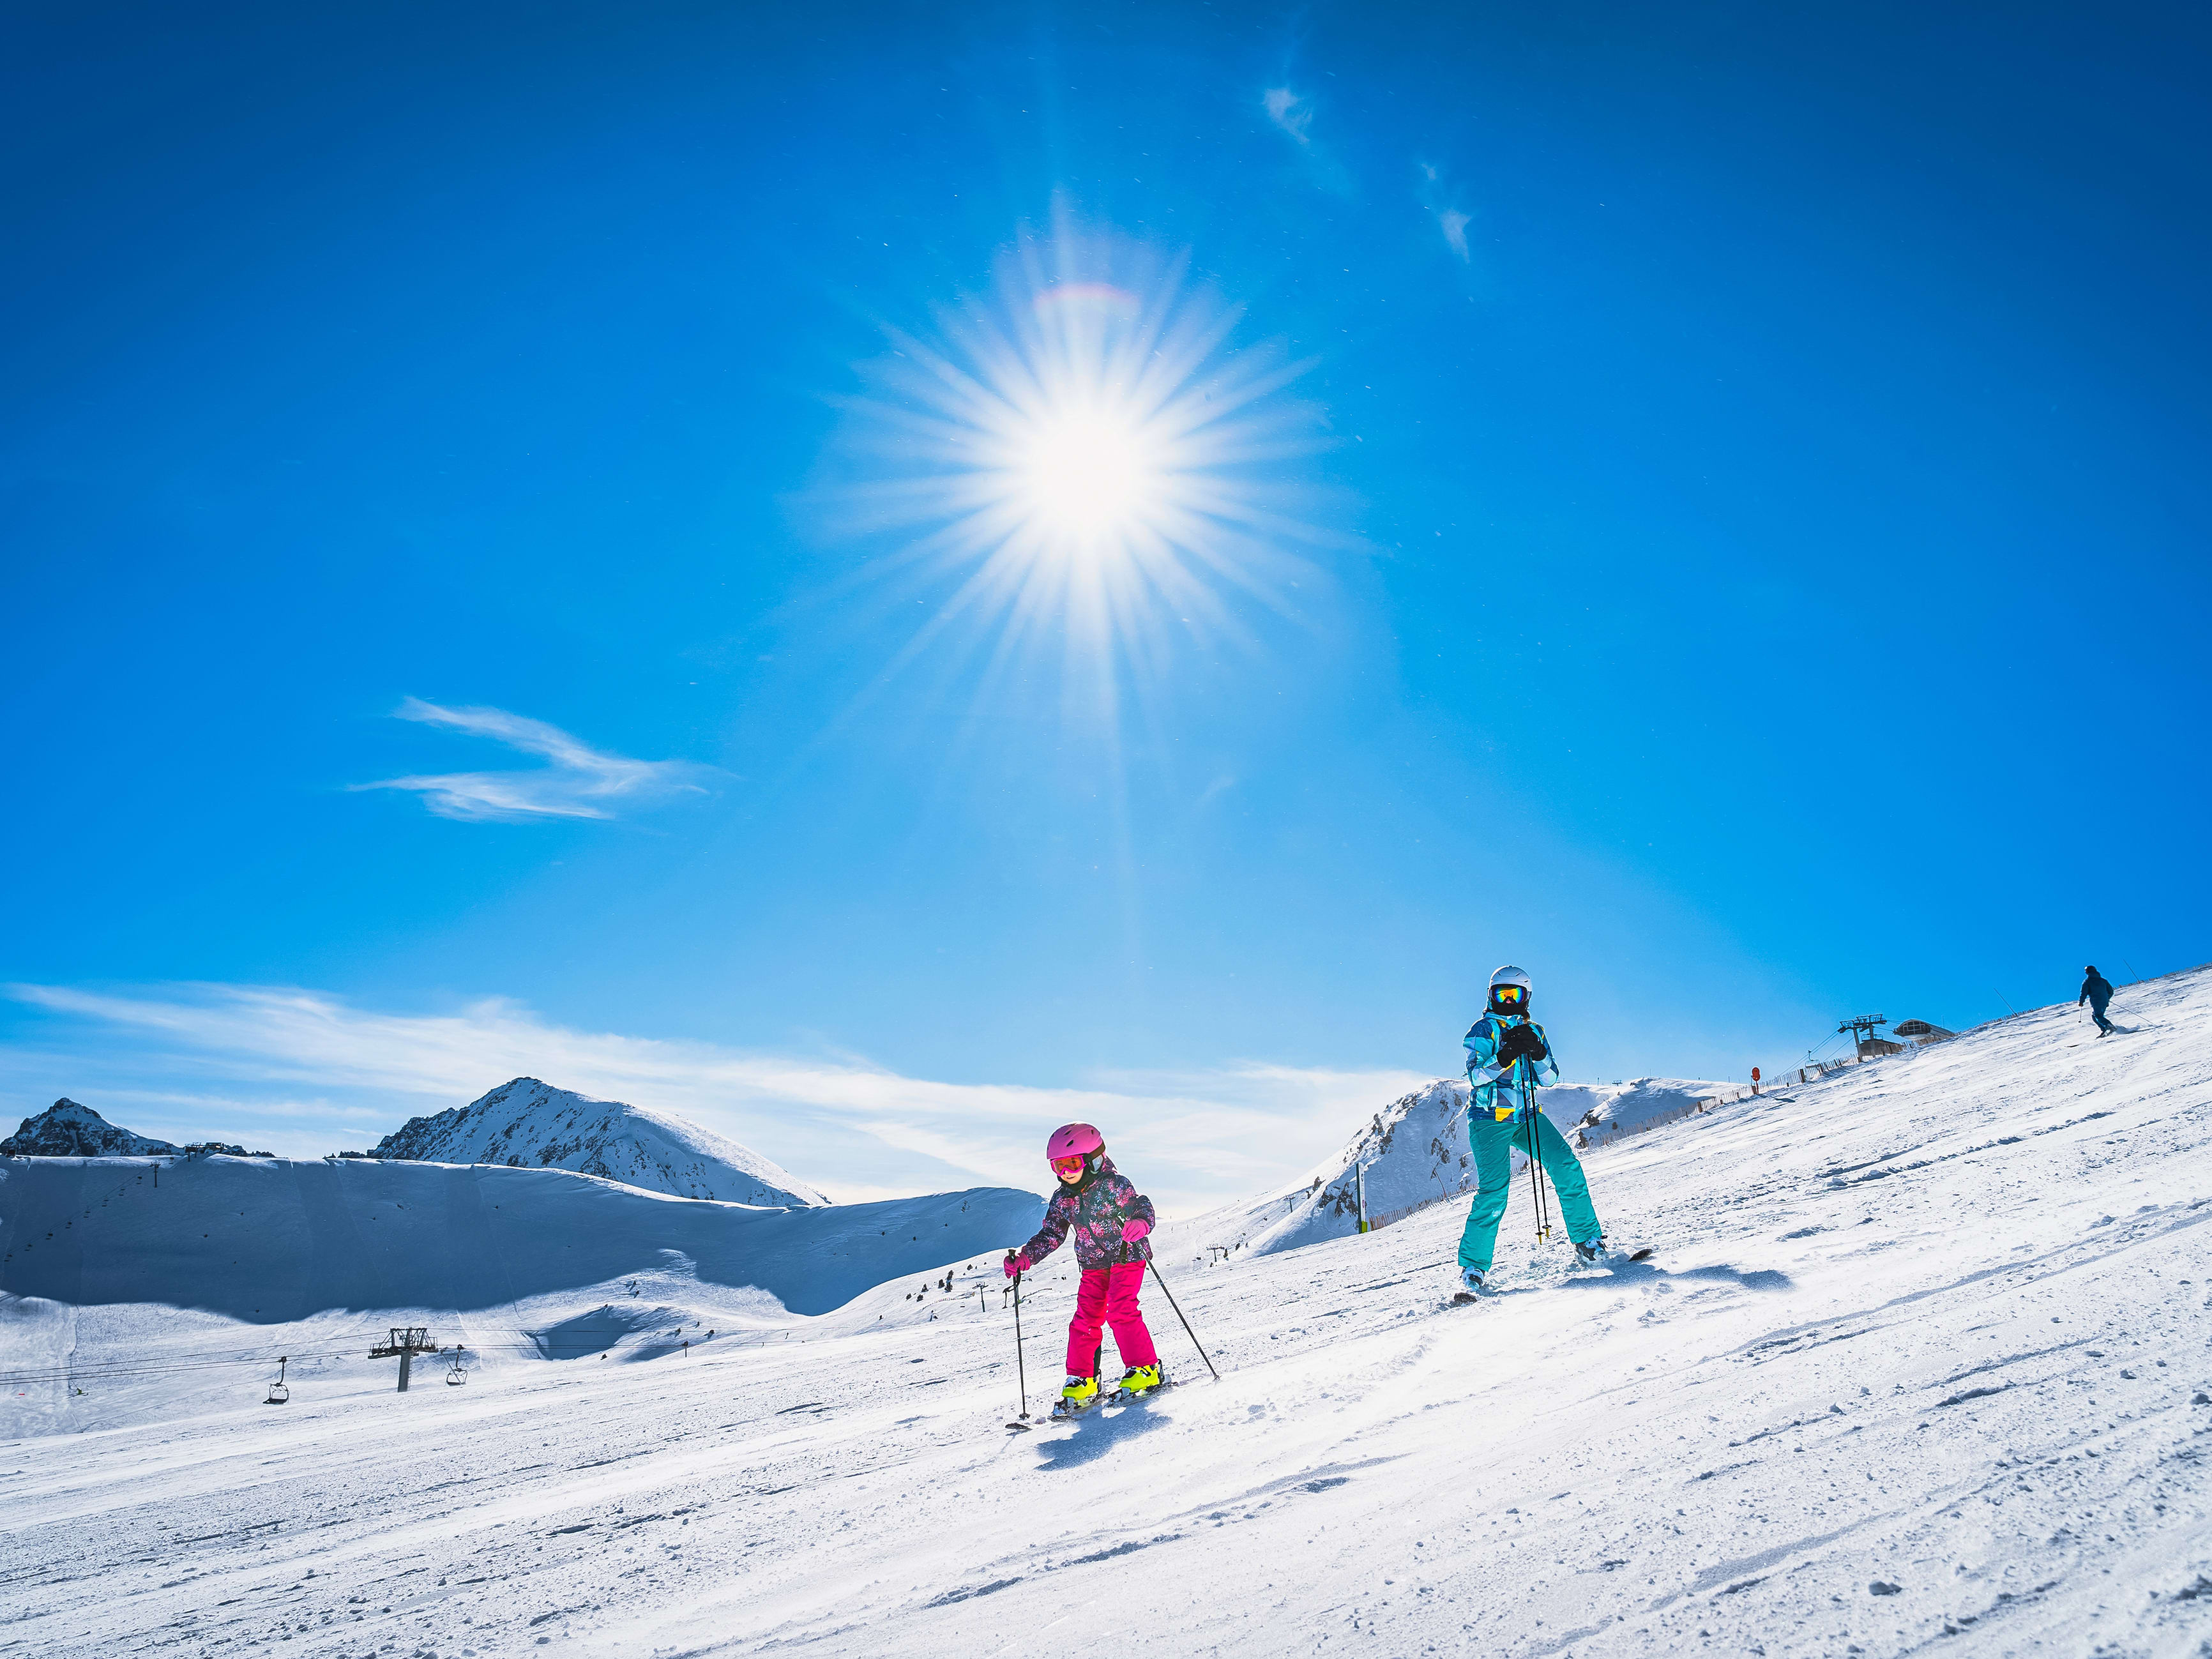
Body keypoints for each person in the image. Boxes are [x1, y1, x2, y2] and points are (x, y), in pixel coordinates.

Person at [1457, 965, 1607, 1295]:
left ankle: (1587, 1241)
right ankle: (1473, 1268)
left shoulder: (1535, 1030)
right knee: (1495, 1192)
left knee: (1567, 1166)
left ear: (1526, 997)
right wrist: (1505, 1055)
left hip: (1527, 1117)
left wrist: (1538, 1053)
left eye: (1515, 995)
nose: (1508, 1001)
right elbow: (1476, 1077)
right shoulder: (1483, 1030)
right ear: (1491, 996)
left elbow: (1550, 1078)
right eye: (1502, 994)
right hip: (1489, 1119)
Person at [1003, 1123, 1162, 1412]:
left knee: (1122, 1309)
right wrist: (1026, 1257)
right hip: (1093, 1264)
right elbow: (1052, 1234)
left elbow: (1142, 1206)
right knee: (1085, 1319)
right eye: (1058, 1166)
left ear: (1093, 1159)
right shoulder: (1062, 1199)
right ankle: (1084, 1379)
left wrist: (1141, 1223)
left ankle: (1145, 1369)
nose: (1065, 1172)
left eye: (1072, 1163)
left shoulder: (1115, 1185)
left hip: (1127, 1254)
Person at [2080, 965, 2117, 1036]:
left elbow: (2084, 993)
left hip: (2096, 1001)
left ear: (2087, 972)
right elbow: (2111, 992)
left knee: (2097, 1015)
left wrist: (2081, 1002)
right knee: (2095, 1016)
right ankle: (2105, 1030)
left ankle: (2110, 1027)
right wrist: (2106, 998)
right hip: (2105, 1001)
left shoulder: (2087, 981)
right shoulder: (2103, 980)